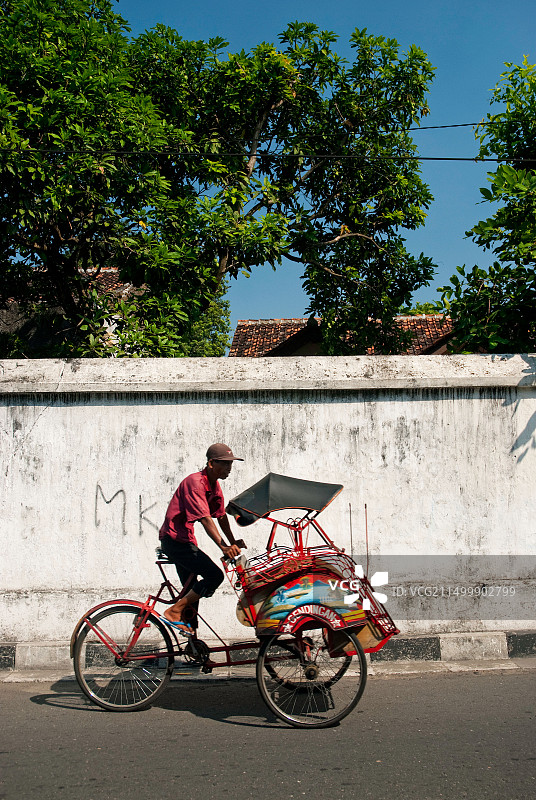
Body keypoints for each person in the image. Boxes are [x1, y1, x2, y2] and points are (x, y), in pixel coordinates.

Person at [158, 443, 245, 635]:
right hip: (174, 541)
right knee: (214, 576)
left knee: (192, 592)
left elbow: (220, 516)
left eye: (230, 465)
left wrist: (232, 542)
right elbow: (206, 519)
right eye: (225, 464)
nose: (229, 469)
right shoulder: (195, 482)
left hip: (185, 541)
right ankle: (174, 611)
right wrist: (223, 547)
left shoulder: (214, 486)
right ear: (211, 463)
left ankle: (193, 645)